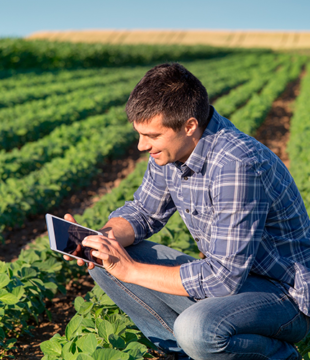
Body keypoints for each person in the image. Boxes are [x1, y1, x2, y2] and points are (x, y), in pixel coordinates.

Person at [64, 63, 310, 360]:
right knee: (103, 258)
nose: (142, 146)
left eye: (152, 135)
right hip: (236, 282)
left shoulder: (236, 164)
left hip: (284, 296)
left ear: (189, 125)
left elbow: (223, 279)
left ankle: (280, 356)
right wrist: (97, 239)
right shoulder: (172, 150)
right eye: (140, 134)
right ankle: (187, 354)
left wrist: (130, 269)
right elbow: (144, 211)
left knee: (197, 328)